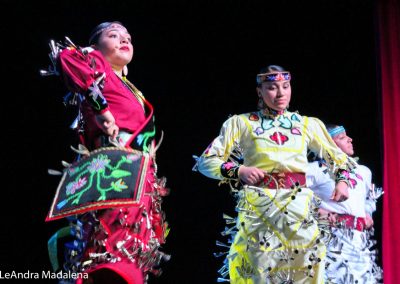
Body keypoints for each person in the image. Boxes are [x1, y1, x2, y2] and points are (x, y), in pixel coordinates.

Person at [194, 65, 356, 283]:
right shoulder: (241, 123)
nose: (280, 93)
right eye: (272, 88)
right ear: (259, 92)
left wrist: (342, 181)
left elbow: (338, 157)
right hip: (260, 209)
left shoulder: (307, 124)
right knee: (257, 269)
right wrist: (239, 170)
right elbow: (206, 161)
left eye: (285, 86)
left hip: (299, 208)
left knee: (308, 266)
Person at [41, 22, 170, 284]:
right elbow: (68, 56)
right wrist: (101, 109)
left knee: (132, 245)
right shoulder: (97, 65)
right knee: (107, 244)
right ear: (96, 47)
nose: (124, 40)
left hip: (138, 176)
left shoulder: (130, 88)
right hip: (112, 170)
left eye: (128, 37)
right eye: (113, 35)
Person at [306, 124, 383, 283]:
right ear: (328, 144)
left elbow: (369, 199)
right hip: (334, 237)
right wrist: (318, 211)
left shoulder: (363, 171)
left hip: (359, 238)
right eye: (341, 138)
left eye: (347, 136)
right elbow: (291, 193)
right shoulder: (315, 170)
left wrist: (368, 212)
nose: (349, 139)